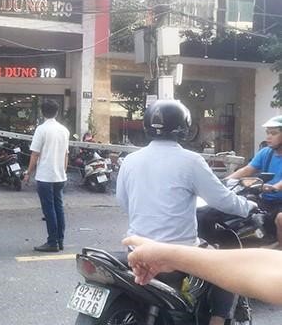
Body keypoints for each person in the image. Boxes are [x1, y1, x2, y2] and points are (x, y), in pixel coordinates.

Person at [116, 99, 255, 325]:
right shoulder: (190, 161)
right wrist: (246, 206)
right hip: (179, 250)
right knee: (226, 265)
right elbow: (221, 199)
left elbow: (123, 201)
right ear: (185, 127)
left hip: (137, 247)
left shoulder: (130, 160)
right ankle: (218, 320)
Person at [122, 235, 282, 306]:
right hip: (175, 245)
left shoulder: (130, 165)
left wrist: (169, 255)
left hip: (141, 245)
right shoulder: (193, 164)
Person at [227, 115, 282, 247]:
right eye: (268, 133)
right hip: (266, 200)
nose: (268, 137)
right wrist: (223, 182)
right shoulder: (266, 153)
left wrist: (275, 187)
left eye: (273, 133)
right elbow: (247, 170)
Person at [23, 99, 70, 252]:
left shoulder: (41, 130)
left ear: (42, 112)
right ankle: (60, 240)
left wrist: (28, 173)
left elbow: (35, 154)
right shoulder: (64, 130)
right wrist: (63, 171)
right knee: (58, 208)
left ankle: (52, 242)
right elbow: (66, 155)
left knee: (49, 209)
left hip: (45, 176)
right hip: (60, 176)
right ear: (56, 112)